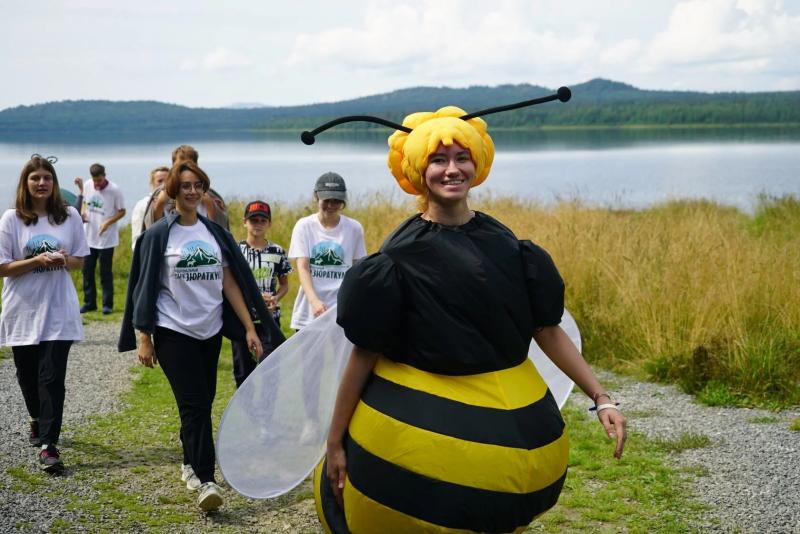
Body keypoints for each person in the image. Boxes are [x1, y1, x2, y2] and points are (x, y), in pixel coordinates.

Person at [316, 107, 627, 533]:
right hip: (419, 456)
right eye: (438, 160)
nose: (452, 169)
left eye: (462, 158)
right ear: (419, 171)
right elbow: (364, 354)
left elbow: (546, 330)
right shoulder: (398, 257)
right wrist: (335, 441)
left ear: (476, 164)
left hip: (508, 457)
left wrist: (601, 397)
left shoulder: (507, 246)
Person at [118, 159, 283, 512]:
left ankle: (188, 462)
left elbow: (230, 282)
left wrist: (250, 328)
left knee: (202, 401)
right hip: (173, 330)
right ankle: (207, 480)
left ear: (203, 190)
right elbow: (144, 287)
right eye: (186, 186)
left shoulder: (213, 233)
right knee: (194, 405)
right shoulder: (159, 235)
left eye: (198, 186)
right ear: (173, 191)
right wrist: (143, 335)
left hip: (209, 332)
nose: (192, 192)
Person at [0, 155, 89, 474]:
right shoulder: (12, 219)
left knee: (52, 378)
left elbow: (80, 259)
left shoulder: (70, 217)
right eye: (35, 178)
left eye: (46, 178)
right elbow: (2, 268)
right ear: (26, 183)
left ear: (54, 183)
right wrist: (38, 261)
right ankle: (37, 419)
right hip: (22, 309)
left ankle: (50, 445)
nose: (41, 183)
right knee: (27, 375)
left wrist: (64, 260)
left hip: (58, 309)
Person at [288, 172, 366, 441]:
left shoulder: (353, 228)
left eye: (337, 201)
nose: (331, 206)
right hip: (311, 311)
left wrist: (353, 303)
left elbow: (357, 268)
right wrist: (314, 300)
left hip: (342, 310)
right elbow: (303, 266)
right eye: (327, 200)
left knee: (345, 367)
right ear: (316, 197)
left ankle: (339, 420)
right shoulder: (304, 226)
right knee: (311, 369)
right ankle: (310, 420)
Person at [230, 200, 292, 388]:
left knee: (270, 369)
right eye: (253, 220)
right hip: (242, 319)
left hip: (269, 318)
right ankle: (246, 410)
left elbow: (284, 285)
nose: (257, 224)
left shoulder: (277, 251)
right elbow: (230, 284)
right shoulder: (236, 251)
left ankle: (267, 412)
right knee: (243, 370)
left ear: (269, 224)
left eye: (262, 220)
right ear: (244, 222)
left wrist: (276, 298)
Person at [79, 163, 125, 314]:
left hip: (107, 239)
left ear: (104, 175)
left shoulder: (114, 190)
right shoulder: (88, 185)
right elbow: (85, 202)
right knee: (87, 271)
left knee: (105, 273)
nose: (97, 184)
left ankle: (107, 305)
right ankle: (89, 302)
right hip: (89, 237)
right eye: (95, 181)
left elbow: (122, 211)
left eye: (99, 180)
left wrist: (107, 222)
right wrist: (83, 213)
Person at [130, 166, 168, 249]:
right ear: (152, 184)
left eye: (167, 180)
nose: (164, 184)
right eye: (160, 181)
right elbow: (136, 238)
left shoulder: (176, 204)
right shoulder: (142, 205)